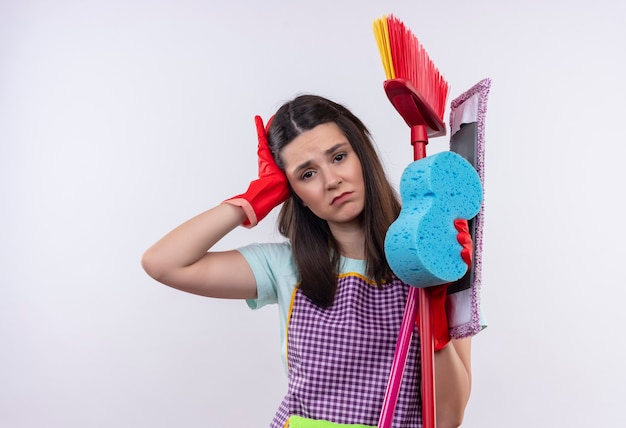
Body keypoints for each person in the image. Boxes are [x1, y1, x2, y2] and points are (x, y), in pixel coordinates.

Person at [141, 94, 473, 427]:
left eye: (339, 157)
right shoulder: (285, 266)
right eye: (307, 174)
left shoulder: (441, 256)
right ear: (292, 190)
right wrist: (252, 199)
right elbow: (163, 263)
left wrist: (433, 299)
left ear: (363, 155)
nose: (331, 181)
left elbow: (448, 417)